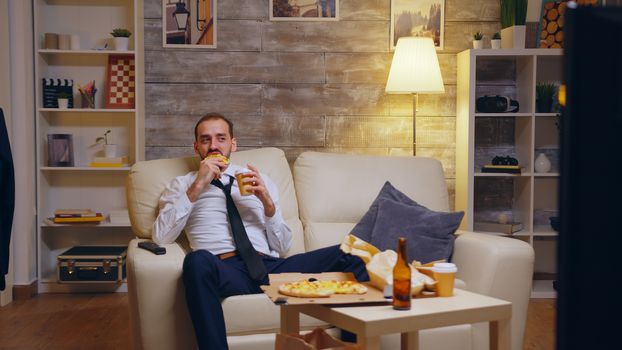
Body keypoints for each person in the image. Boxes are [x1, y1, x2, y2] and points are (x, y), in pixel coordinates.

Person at [152, 113, 368, 350]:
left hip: (269, 268)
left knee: (353, 254)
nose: (213, 145)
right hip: (224, 270)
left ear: (233, 143)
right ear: (196, 147)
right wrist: (198, 186)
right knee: (196, 261)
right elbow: (161, 237)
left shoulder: (257, 179)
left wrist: (267, 203)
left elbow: (283, 246)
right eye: (205, 140)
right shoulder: (182, 185)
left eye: (221, 138)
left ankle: (353, 345)